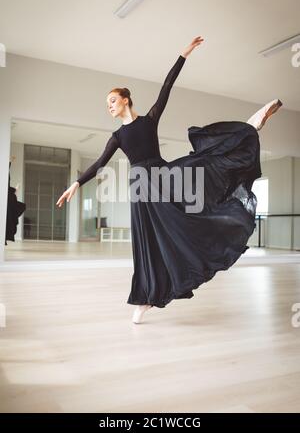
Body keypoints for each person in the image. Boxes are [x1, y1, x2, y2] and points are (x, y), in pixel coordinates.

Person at [56, 36, 282, 324]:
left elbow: (167, 86)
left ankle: (250, 127)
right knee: (147, 244)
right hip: (140, 191)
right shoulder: (118, 137)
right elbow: (100, 164)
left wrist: (183, 55)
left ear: (126, 99)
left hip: (163, 177)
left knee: (202, 172)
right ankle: (145, 297)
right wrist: (76, 184)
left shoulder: (148, 120)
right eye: (107, 104)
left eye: (112, 100)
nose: (109, 106)